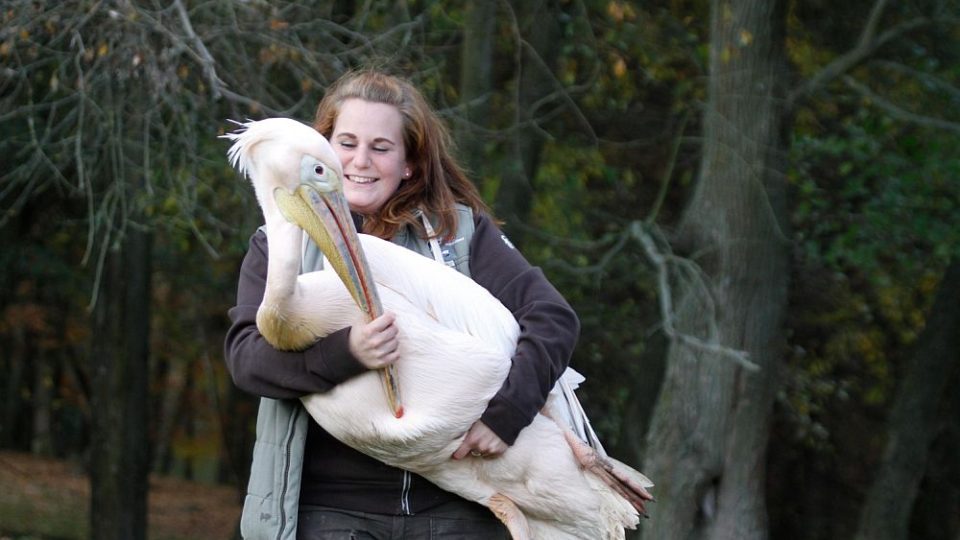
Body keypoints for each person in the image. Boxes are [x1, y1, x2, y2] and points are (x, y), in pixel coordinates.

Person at [224, 69, 580, 540]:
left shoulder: (457, 237)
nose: (360, 161)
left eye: (381, 147)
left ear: (409, 162)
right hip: (331, 508)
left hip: (452, 505)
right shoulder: (280, 245)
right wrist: (348, 353)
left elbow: (553, 318)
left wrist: (506, 414)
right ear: (323, 150)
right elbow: (248, 361)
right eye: (346, 143)